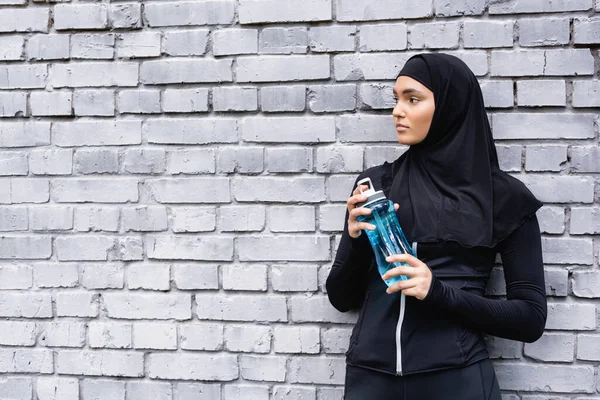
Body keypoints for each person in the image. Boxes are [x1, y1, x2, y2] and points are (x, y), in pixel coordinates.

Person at [326, 53, 547, 400]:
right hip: (371, 382)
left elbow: (530, 319)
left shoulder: (502, 198)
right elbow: (341, 298)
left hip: (456, 382)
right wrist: (355, 240)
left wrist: (438, 292)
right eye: (396, 99)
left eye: (412, 99)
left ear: (449, 106)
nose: (398, 111)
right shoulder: (376, 187)